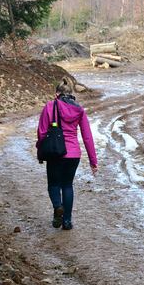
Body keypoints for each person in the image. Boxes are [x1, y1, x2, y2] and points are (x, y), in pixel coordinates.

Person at [37, 79, 98, 230]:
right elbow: (87, 136)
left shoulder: (50, 106)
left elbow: (42, 132)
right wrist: (93, 161)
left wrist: (40, 150)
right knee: (67, 186)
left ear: (56, 93)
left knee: (53, 184)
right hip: (73, 155)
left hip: (55, 153)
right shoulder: (79, 110)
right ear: (71, 94)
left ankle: (58, 207)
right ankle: (67, 221)